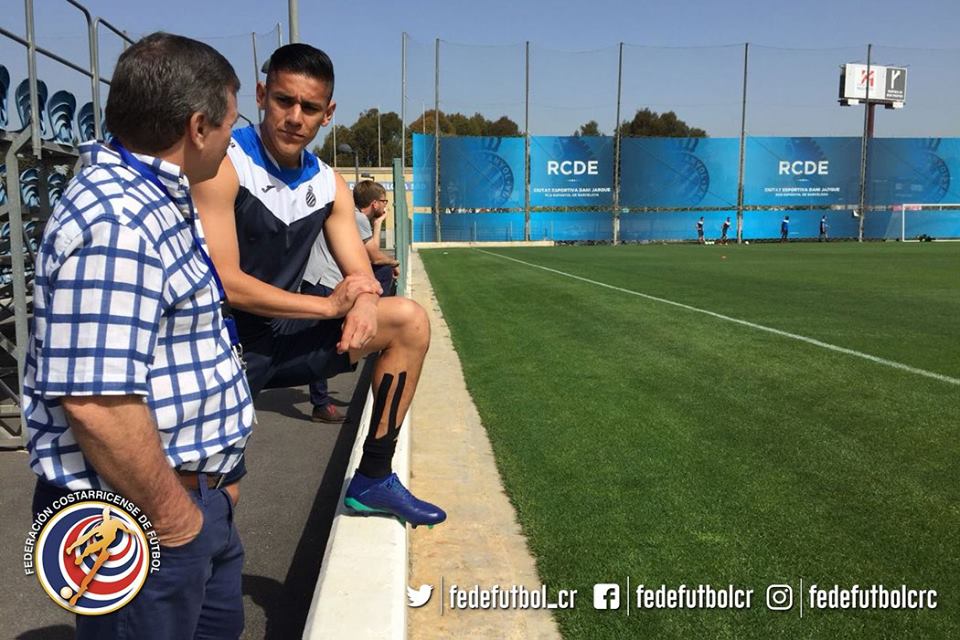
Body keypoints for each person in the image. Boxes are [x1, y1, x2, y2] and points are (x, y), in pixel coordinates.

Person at [23, 33, 253, 639]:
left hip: (186, 502)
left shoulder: (152, 198)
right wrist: (178, 520)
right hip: (143, 520)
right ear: (198, 127)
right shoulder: (119, 219)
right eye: (231, 124)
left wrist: (216, 491)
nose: (233, 140)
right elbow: (97, 404)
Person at [191, 43, 445, 527]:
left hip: (280, 338)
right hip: (216, 346)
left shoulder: (329, 184)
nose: (294, 117)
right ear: (262, 95)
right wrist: (331, 308)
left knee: (407, 321)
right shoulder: (225, 164)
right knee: (209, 508)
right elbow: (226, 282)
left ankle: (373, 478)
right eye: (284, 101)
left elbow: (359, 268)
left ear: (328, 114)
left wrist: (367, 298)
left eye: (309, 108)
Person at [300, 179, 399, 423]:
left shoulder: (357, 219)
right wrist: (393, 262)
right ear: (375, 203)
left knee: (319, 340)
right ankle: (321, 404)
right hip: (324, 282)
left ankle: (323, 396)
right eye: (384, 201)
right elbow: (374, 255)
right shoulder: (357, 218)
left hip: (320, 280)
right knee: (317, 343)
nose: (386, 206)